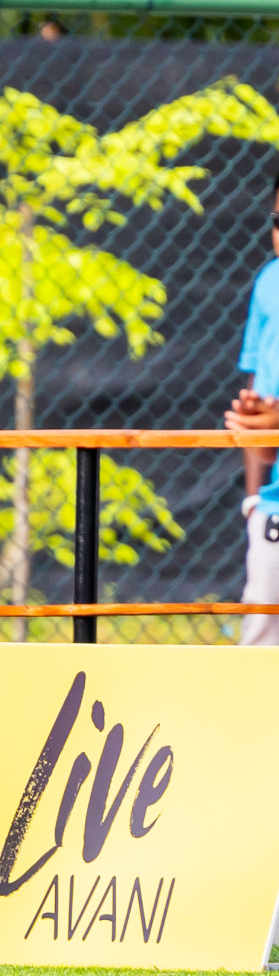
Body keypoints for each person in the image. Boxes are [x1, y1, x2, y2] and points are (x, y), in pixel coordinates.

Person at [223, 170, 279, 644]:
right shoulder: (269, 283)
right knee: (261, 642)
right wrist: (253, 501)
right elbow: (256, 399)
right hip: (274, 509)